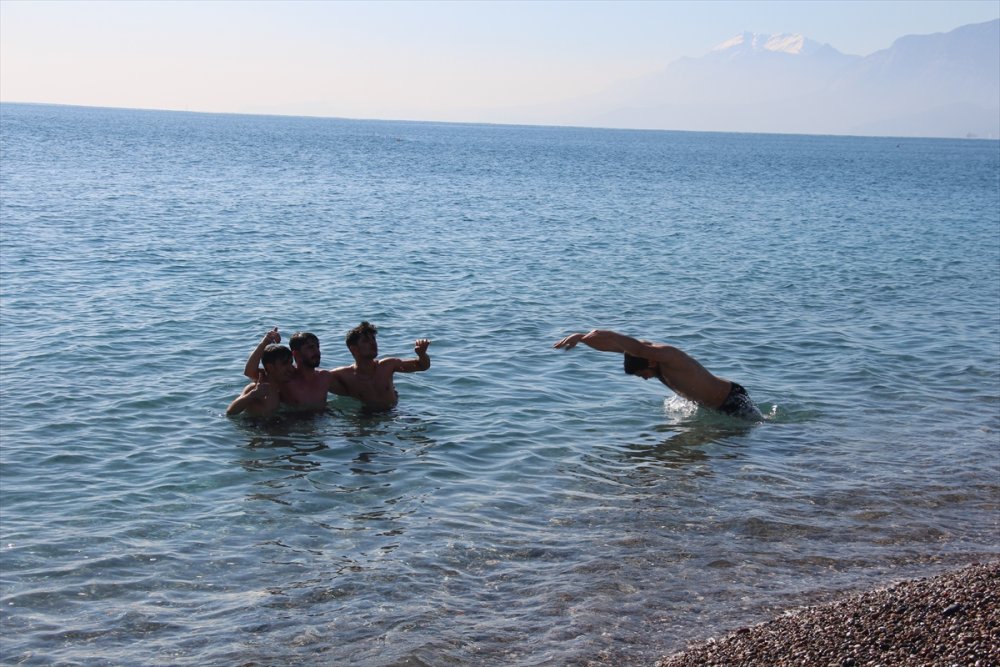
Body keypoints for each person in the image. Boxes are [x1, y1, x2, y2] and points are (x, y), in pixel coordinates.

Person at [553, 329, 763, 421]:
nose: (645, 378)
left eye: (643, 374)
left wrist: (603, 332)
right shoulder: (648, 360)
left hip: (731, 400)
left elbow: (637, 347)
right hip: (711, 406)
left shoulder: (668, 356)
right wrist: (581, 338)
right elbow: (615, 347)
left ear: (651, 362)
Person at [328, 321, 431, 411]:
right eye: (366, 341)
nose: (373, 343)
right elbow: (319, 377)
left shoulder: (387, 366)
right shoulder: (345, 375)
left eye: (373, 339)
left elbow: (422, 366)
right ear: (354, 349)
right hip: (366, 416)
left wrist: (422, 354)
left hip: (393, 413)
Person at [242, 328, 336, 410]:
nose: (317, 351)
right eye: (310, 348)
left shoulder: (325, 377)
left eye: (318, 347)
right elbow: (249, 372)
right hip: (296, 422)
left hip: (323, 418)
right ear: (296, 354)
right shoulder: (285, 378)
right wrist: (264, 343)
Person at [227, 344, 294, 417]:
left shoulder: (282, 385)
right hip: (257, 423)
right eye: (285, 364)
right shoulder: (256, 388)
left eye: (291, 363)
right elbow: (230, 412)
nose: (291, 368)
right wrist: (253, 395)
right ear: (270, 367)